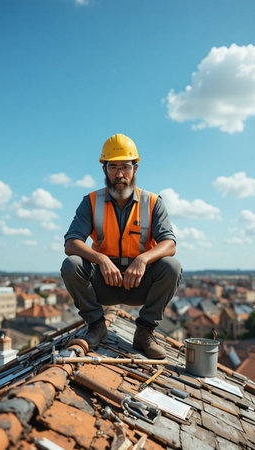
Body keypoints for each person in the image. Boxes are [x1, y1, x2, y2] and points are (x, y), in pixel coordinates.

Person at [61, 133, 181, 359]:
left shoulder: (153, 203)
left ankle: (144, 333)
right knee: (72, 264)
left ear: (135, 168)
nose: (119, 174)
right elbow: (71, 243)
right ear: (104, 169)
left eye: (125, 166)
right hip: (105, 281)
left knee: (172, 266)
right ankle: (97, 327)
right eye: (113, 167)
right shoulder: (91, 202)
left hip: (139, 282)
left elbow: (169, 243)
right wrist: (102, 260)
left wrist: (143, 259)